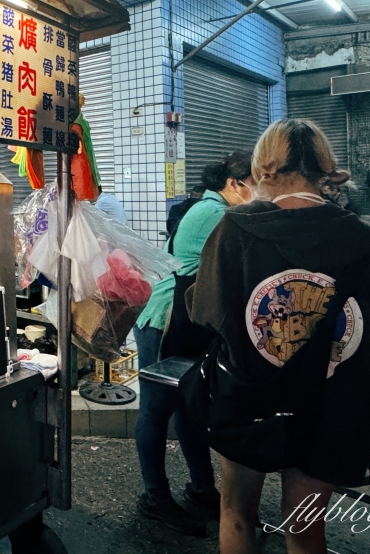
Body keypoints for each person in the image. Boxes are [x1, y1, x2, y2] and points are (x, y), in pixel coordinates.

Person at [188, 119, 370, 553]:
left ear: (262, 169)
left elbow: (207, 313)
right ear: (325, 169)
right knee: (305, 531)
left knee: (237, 514)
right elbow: (364, 331)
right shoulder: (363, 237)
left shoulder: (235, 228)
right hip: (328, 403)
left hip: (249, 398)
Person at [133, 151, 254, 535]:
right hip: (165, 319)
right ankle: (155, 496)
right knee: (156, 410)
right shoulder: (217, 214)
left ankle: (202, 489)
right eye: (256, 184)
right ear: (234, 184)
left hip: (189, 319)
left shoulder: (214, 208)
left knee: (188, 407)